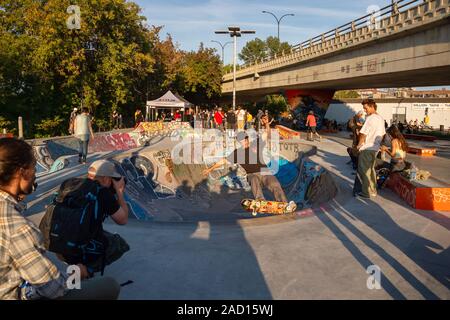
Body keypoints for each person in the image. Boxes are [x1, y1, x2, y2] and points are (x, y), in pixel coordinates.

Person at [0, 138, 120, 300]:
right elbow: (53, 289)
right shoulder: (18, 228)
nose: (36, 174)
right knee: (109, 285)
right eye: (34, 168)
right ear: (22, 172)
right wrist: (76, 273)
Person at [203, 116, 295, 209]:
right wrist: (210, 169)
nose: (245, 142)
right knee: (254, 179)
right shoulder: (237, 153)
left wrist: (267, 124)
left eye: (246, 140)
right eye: (243, 141)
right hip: (251, 174)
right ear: (239, 142)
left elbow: (266, 134)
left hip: (264, 171)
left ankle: (284, 204)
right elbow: (223, 161)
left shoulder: (256, 144)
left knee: (274, 183)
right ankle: (260, 201)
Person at [353, 99, 386, 199]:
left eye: (365, 108)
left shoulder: (370, 118)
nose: (364, 110)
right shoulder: (380, 118)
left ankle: (365, 193)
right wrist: (378, 145)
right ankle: (373, 191)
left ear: (372, 106)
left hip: (367, 148)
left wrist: (359, 145)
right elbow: (383, 134)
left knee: (364, 171)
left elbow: (363, 133)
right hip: (375, 148)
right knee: (371, 170)